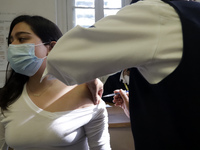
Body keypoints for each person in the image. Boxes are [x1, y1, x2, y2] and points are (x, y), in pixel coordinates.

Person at [43, 0, 200, 149]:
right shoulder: (193, 15)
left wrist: (89, 73)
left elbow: (61, 58)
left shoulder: (155, 14)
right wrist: (139, 110)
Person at [0, 15, 111, 150]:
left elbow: (100, 148)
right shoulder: (7, 97)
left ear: (51, 47)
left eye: (22, 39)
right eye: (11, 40)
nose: (13, 46)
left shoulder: (88, 94)